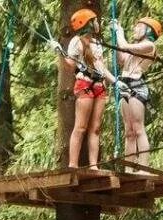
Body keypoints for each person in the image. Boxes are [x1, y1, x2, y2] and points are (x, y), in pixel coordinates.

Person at [61, 9, 115, 169]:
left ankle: (93, 165)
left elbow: (102, 67)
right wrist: (60, 52)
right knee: (81, 126)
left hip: (99, 85)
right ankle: (73, 164)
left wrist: (115, 82)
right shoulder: (76, 41)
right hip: (84, 84)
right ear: (87, 23)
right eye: (95, 21)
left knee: (96, 128)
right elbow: (70, 66)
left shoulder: (97, 43)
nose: (97, 24)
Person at [108, 16, 161, 167]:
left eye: (139, 26)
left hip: (136, 87)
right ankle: (129, 169)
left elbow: (125, 46)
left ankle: (143, 167)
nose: (135, 29)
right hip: (125, 86)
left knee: (138, 129)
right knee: (129, 132)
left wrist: (119, 31)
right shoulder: (136, 47)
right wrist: (116, 38)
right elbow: (122, 59)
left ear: (148, 30)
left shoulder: (150, 46)